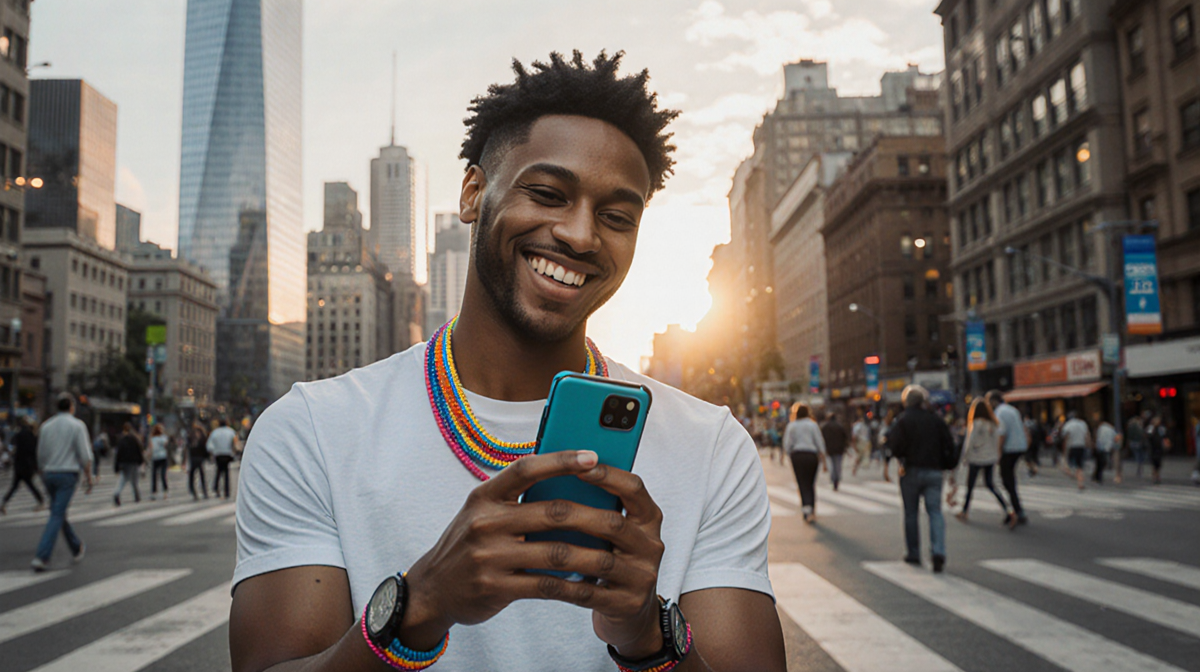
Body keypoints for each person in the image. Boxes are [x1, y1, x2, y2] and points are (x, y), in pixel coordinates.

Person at [227, 51, 786, 672]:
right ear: (473, 193)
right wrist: (419, 607)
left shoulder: (712, 449)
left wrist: (647, 636)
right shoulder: (309, 430)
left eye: (616, 217)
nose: (579, 235)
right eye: (547, 193)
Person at [885, 385, 955, 573]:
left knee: (911, 513)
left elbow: (894, 446)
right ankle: (938, 551)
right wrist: (948, 465)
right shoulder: (936, 420)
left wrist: (901, 458)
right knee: (935, 512)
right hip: (934, 471)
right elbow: (949, 444)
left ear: (906, 402)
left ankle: (914, 552)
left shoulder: (903, 421)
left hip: (910, 471)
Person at [31, 393, 93, 571]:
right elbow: (85, 455)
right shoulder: (77, 425)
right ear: (72, 407)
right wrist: (89, 478)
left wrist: (42, 472)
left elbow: (40, 454)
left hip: (49, 473)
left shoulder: (46, 426)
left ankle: (76, 546)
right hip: (67, 474)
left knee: (58, 512)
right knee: (57, 514)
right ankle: (42, 556)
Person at [952, 398, 1011, 526]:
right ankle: (1007, 508)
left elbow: (970, 441)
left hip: (976, 458)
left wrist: (965, 457)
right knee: (990, 484)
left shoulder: (976, 423)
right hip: (990, 458)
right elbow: (996, 441)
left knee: (970, 486)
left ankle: (964, 510)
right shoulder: (993, 424)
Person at [986, 390, 1028, 526]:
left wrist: (998, 453)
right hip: (1019, 447)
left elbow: (1001, 434)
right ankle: (1016, 509)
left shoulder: (999, 413)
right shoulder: (1012, 410)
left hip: (1008, 449)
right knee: (1009, 479)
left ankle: (1016, 511)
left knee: (1007, 480)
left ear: (994, 401)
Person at [784, 402, 826, 523]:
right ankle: (812, 508)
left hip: (797, 455)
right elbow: (819, 441)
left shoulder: (792, 426)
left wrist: (787, 454)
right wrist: (823, 458)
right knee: (811, 483)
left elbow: (787, 443)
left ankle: (806, 508)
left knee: (802, 482)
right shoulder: (813, 425)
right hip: (811, 455)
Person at [1, 417, 44, 515]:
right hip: (28, 464)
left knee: (15, 486)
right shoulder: (32, 436)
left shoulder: (18, 435)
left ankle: (4, 502)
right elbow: (34, 451)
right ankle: (41, 500)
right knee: (30, 484)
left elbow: (12, 447)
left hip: (18, 464)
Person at [112, 423, 144, 506]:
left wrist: (116, 467)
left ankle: (117, 492)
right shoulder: (134, 439)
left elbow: (118, 454)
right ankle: (137, 496)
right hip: (133, 462)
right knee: (135, 480)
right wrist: (141, 461)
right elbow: (139, 451)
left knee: (123, 479)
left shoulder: (121, 440)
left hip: (124, 462)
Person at [1058, 411, 1091, 490]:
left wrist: (1064, 450)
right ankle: (1080, 482)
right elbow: (1087, 435)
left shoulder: (1068, 425)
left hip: (1072, 446)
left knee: (1070, 465)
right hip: (1081, 446)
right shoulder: (1083, 424)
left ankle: (1073, 475)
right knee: (1080, 465)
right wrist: (1089, 445)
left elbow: (1065, 438)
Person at [207, 417, 239, 499]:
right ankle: (226, 491)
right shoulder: (231, 431)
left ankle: (216, 488)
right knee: (226, 473)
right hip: (227, 454)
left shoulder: (214, 432)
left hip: (218, 454)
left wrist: (214, 452)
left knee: (218, 471)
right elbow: (235, 442)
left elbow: (209, 446)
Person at [820, 410, 848, 491]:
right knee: (838, 465)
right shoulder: (840, 426)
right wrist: (845, 447)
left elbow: (822, 438)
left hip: (830, 449)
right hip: (839, 449)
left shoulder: (825, 427)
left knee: (832, 465)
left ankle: (833, 479)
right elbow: (845, 437)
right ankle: (837, 479)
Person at [1093, 413, 1118, 485]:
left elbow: (1098, 437)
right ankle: (1097, 476)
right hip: (1107, 447)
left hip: (1100, 447)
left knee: (1099, 463)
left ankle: (1097, 476)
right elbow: (1115, 438)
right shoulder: (1111, 428)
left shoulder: (1101, 428)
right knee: (1102, 462)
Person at [188, 421, 210, 500]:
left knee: (192, 475)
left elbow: (188, 448)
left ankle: (193, 492)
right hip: (199, 458)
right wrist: (207, 457)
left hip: (194, 458)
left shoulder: (191, 436)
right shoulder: (203, 436)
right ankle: (204, 492)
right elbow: (205, 448)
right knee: (201, 475)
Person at [147, 424, 170, 501]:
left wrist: (148, 457)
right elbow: (166, 445)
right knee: (162, 476)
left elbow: (150, 448)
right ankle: (165, 492)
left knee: (155, 476)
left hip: (156, 458)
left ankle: (154, 493)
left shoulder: (152, 438)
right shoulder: (163, 438)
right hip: (162, 458)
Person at [851, 410, 873, 476]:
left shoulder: (867, 425)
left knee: (864, 455)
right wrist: (854, 445)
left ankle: (862, 466)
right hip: (861, 442)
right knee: (859, 456)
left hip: (866, 442)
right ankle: (855, 468)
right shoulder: (859, 425)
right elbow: (854, 436)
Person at [1147, 415, 1168, 485]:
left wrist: (1165, 443)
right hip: (1152, 448)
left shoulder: (1161, 428)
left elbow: (1164, 436)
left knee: (1158, 463)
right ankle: (1155, 476)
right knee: (1154, 462)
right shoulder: (1151, 428)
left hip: (1159, 448)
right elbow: (1148, 436)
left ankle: (1157, 475)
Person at [879, 408, 896, 482]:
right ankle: (886, 475)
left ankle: (885, 474)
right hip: (888, 443)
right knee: (887, 460)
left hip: (884, 443)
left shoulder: (884, 423)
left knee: (886, 460)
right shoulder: (893, 424)